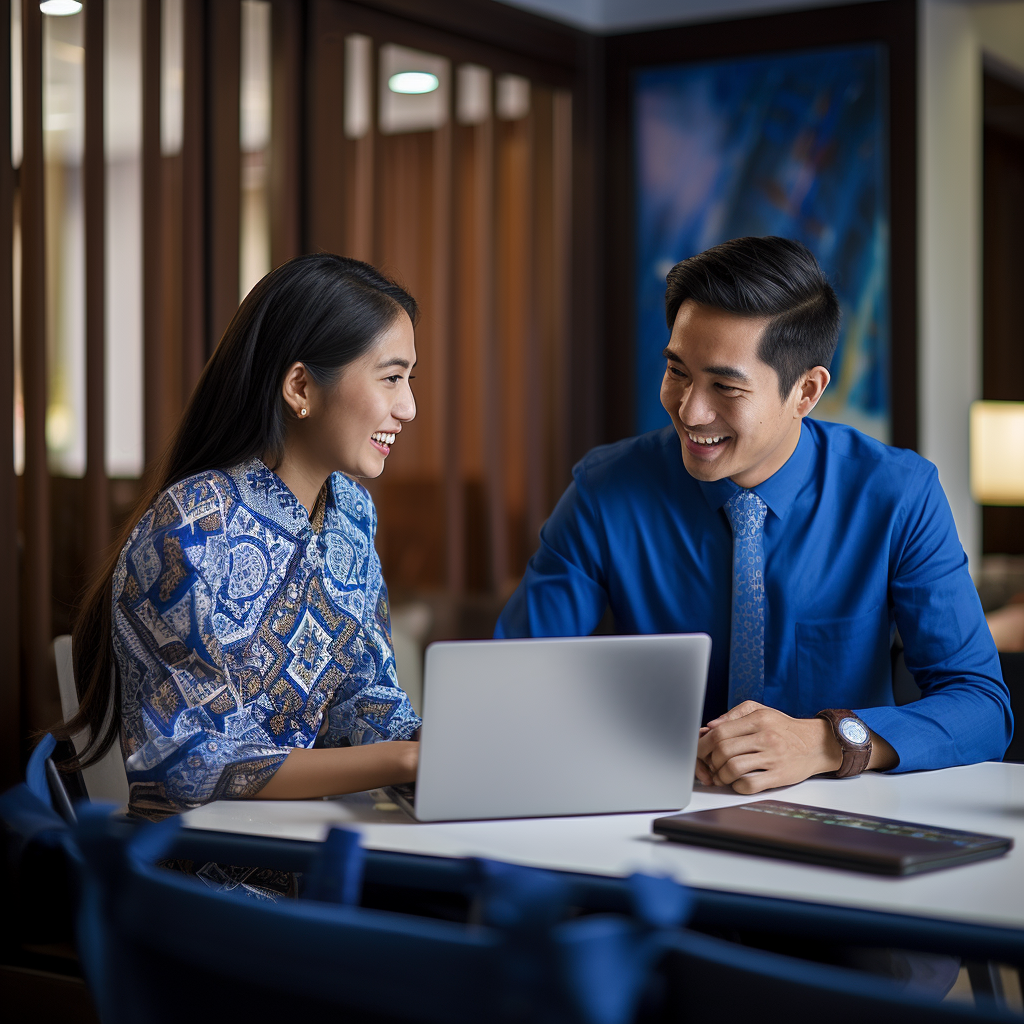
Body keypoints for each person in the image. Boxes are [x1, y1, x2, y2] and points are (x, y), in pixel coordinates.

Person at [497, 236, 1012, 793]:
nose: (690, 410)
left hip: (845, 823)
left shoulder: (898, 495)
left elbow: (982, 708)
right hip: (653, 811)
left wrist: (822, 741)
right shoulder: (605, 490)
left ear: (806, 392)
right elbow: (514, 688)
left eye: (725, 386)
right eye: (677, 371)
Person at [59, 254, 422, 819]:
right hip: (207, 880)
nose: (409, 407)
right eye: (392, 377)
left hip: (317, 849)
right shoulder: (191, 527)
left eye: (410, 379)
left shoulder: (352, 512)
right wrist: (399, 764)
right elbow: (185, 763)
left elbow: (365, 697)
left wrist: (441, 749)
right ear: (301, 386)